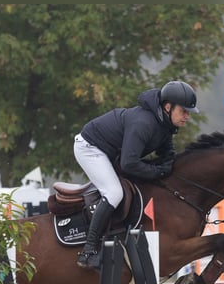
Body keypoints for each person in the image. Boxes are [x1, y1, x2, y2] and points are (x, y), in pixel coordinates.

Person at [73, 80, 199, 269]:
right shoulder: (144, 123)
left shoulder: (164, 125)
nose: (187, 116)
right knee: (114, 193)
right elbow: (129, 164)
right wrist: (157, 172)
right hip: (90, 148)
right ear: (168, 107)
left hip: (111, 153)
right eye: (184, 111)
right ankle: (88, 251)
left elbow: (168, 157)